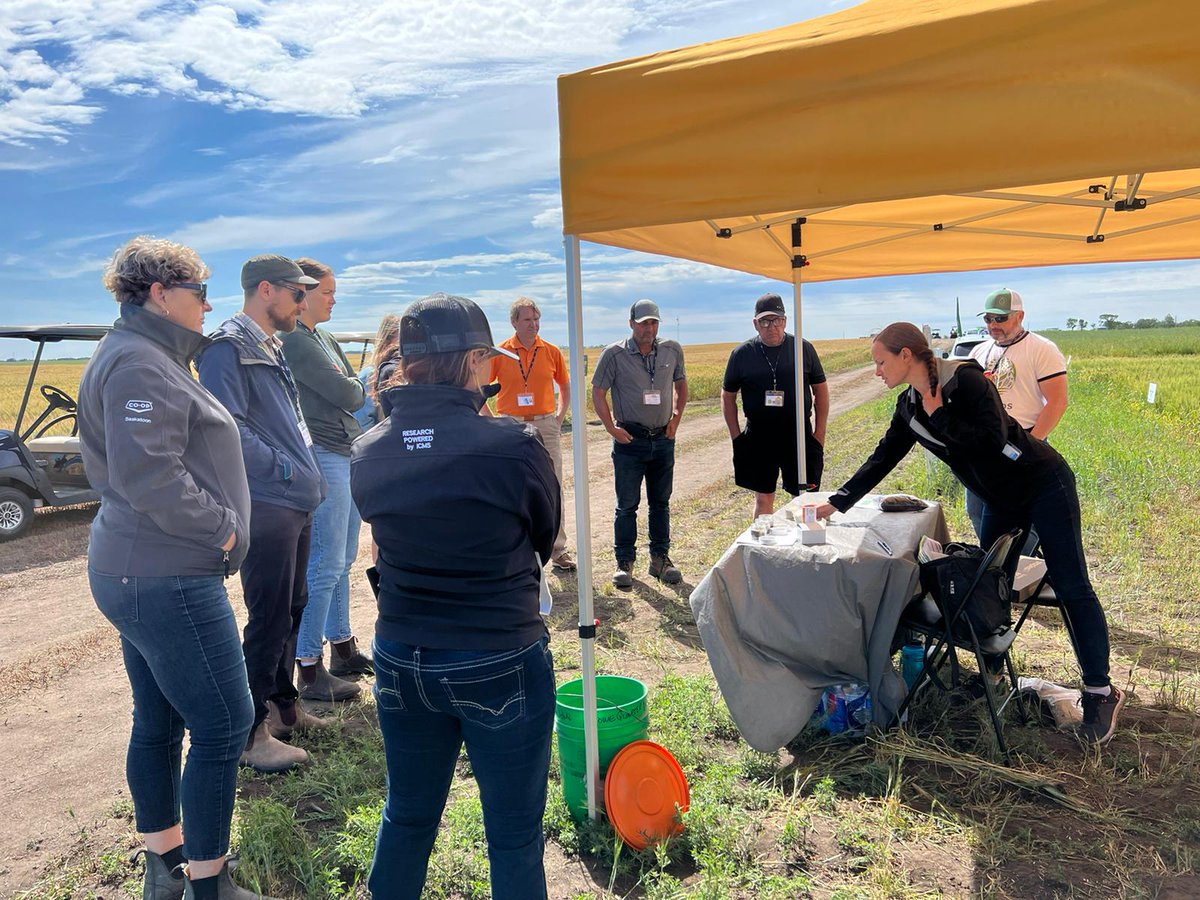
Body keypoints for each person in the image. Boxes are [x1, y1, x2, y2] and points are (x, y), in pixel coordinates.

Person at [812, 323, 1123, 745]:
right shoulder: (909, 407)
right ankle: (994, 675)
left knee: (1071, 585)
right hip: (998, 498)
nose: (876, 371)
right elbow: (884, 456)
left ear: (907, 356)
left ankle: (1100, 692)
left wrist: (941, 415)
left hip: (1043, 484)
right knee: (990, 586)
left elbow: (991, 441)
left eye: (880, 361)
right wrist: (837, 502)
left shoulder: (966, 380)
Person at [79, 236, 274, 899]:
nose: (207, 305)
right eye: (199, 292)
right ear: (161, 293)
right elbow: (149, 474)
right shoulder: (140, 362)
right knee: (223, 723)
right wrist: (221, 529)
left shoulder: (142, 352)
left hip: (138, 570)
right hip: (163, 573)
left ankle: (165, 868)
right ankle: (209, 885)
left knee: (158, 720)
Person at [350, 293, 560, 900]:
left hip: (400, 654)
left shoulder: (369, 450)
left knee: (407, 815)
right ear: (473, 361)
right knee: (514, 834)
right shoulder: (513, 446)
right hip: (497, 654)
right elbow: (542, 537)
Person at [197, 254, 327, 773]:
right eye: (298, 293)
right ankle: (251, 735)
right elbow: (227, 427)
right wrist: (288, 472)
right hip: (270, 502)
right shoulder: (228, 347)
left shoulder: (267, 344)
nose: (304, 303)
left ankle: (285, 710)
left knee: (293, 607)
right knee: (269, 616)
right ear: (266, 290)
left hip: (293, 501)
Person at [282, 258, 372, 701]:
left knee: (343, 556)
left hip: (342, 449)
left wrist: (355, 385)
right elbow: (348, 392)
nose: (334, 299)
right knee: (325, 562)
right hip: (324, 451)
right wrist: (356, 384)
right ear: (304, 293)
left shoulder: (323, 337)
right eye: (328, 292)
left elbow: (354, 389)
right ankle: (309, 667)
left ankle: (342, 645)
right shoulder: (296, 340)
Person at [591, 299, 688, 588]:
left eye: (654, 322)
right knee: (627, 505)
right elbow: (598, 392)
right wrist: (611, 428)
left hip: (662, 438)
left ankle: (660, 559)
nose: (649, 328)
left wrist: (676, 419)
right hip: (629, 440)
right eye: (644, 322)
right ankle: (625, 562)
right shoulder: (614, 354)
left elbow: (681, 385)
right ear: (631, 323)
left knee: (661, 503)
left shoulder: (672, 349)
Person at [966, 288, 1069, 542]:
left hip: (1023, 441)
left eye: (1001, 318)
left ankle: (1025, 573)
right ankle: (994, 572)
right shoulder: (979, 353)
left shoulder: (1041, 349)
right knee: (978, 512)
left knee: (1024, 519)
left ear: (1020, 316)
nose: (993, 325)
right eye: (988, 319)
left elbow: (1057, 402)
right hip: (985, 448)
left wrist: (1031, 445)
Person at [721, 293, 829, 517]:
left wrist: (819, 435)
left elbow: (820, 390)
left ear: (785, 321)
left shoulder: (802, 349)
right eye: (765, 321)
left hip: (799, 436)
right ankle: (762, 547)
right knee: (763, 499)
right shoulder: (741, 354)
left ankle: (804, 547)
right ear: (755, 324)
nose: (772, 327)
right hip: (759, 438)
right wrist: (736, 436)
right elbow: (727, 395)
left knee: (805, 500)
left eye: (777, 320)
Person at [488, 296, 575, 572]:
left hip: (545, 424)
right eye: (527, 320)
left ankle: (558, 549)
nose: (533, 325)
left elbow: (565, 385)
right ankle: (518, 549)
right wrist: (492, 423)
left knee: (554, 484)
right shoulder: (500, 352)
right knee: (513, 487)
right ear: (514, 322)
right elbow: (478, 388)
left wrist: (558, 418)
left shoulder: (550, 351)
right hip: (511, 425)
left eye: (536, 319)